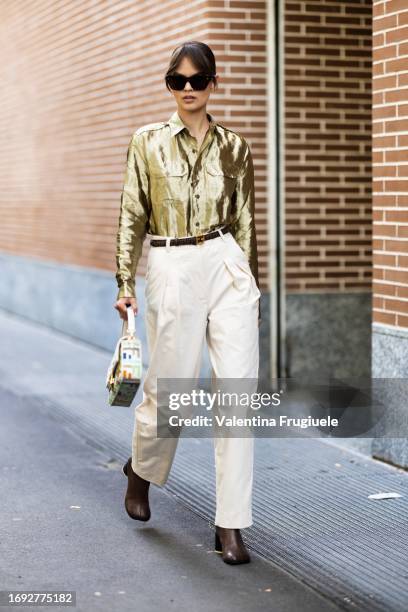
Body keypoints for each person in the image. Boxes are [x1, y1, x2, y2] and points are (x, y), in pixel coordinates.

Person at [113, 41, 261, 565]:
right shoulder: (147, 143)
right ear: (169, 85)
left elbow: (245, 222)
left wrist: (252, 285)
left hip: (225, 263)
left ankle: (230, 523)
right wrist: (124, 283)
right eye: (179, 81)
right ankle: (142, 469)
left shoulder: (236, 147)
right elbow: (133, 213)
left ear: (213, 83)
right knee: (172, 389)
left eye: (199, 80)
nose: (189, 89)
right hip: (171, 263)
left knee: (238, 394)